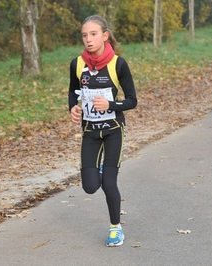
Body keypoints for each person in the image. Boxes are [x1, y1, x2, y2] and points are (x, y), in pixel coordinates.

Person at [68, 15, 137, 247]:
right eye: (84, 35)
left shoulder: (118, 64)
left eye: (93, 34)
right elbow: (73, 92)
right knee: (89, 187)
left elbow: (132, 100)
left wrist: (111, 105)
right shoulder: (77, 64)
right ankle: (98, 168)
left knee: (109, 183)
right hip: (90, 131)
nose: (88, 39)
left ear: (105, 36)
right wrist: (73, 108)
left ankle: (115, 228)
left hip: (113, 130)